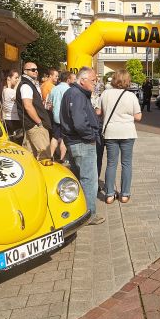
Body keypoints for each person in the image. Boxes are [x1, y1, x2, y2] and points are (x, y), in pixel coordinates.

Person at [60, 67, 105, 225]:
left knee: (80, 178)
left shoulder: (73, 93)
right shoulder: (77, 94)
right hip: (82, 142)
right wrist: (91, 136)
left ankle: (80, 212)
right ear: (82, 80)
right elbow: (79, 123)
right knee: (89, 180)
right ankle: (89, 215)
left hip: (76, 141)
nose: (95, 83)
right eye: (93, 81)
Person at [97, 69, 142, 205]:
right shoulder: (131, 96)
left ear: (115, 79)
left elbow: (98, 112)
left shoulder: (105, 94)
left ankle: (109, 195)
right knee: (126, 164)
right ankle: (124, 194)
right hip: (127, 132)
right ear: (128, 81)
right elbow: (138, 116)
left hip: (110, 132)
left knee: (111, 163)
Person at [16, 62, 52, 159]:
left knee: (29, 157)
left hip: (31, 125)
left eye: (36, 69)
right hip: (35, 126)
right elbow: (28, 106)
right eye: (32, 70)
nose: (36, 71)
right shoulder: (26, 85)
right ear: (25, 71)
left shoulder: (29, 84)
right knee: (45, 156)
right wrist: (39, 122)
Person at [49, 70, 76, 163]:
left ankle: (51, 155)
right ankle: (62, 158)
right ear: (68, 80)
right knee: (64, 138)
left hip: (55, 116)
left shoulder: (54, 88)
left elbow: (49, 103)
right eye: (73, 79)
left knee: (55, 137)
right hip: (65, 118)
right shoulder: (69, 90)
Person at [1, 70, 22, 144]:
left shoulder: (5, 90)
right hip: (13, 120)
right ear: (9, 78)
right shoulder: (9, 91)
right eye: (16, 78)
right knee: (16, 143)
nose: (17, 80)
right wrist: (17, 84)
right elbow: (19, 97)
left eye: (18, 78)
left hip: (7, 119)